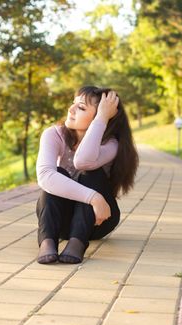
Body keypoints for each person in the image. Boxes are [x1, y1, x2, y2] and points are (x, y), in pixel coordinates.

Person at [36, 86, 139, 264]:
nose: (71, 109)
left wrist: (101, 119)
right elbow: (45, 176)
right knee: (56, 174)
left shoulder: (111, 144)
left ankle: (77, 243)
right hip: (60, 220)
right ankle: (47, 241)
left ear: (103, 116)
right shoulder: (53, 134)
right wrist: (94, 198)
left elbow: (82, 162)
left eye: (81, 107)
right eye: (73, 104)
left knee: (91, 173)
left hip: (98, 221)